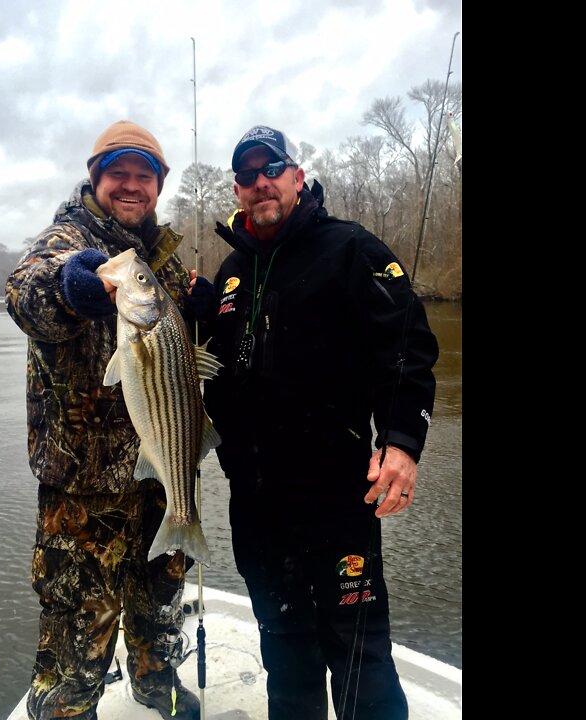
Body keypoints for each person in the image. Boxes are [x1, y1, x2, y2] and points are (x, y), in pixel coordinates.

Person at [202, 125, 439, 720]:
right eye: (248, 175)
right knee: (284, 651)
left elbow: (409, 349)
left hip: (336, 498)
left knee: (357, 650)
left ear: (297, 177)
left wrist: (403, 444)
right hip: (255, 505)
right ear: (237, 190)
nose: (261, 183)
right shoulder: (231, 273)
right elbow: (211, 375)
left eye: (272, 168)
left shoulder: (352, 250)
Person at [5, 120, 216, 720]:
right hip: (83, 484)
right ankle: (70, 709)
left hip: (163, 469)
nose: (130, 186)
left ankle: (159, 684)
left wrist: (208, 308)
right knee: (78, 620)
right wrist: (71, 289)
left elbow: (189, 348)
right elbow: (26, 293)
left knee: (162, 598)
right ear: (96, 179)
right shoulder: (67, 239)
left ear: (158, 185)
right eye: (117, 173)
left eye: (143, 175)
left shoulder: (161, 260)